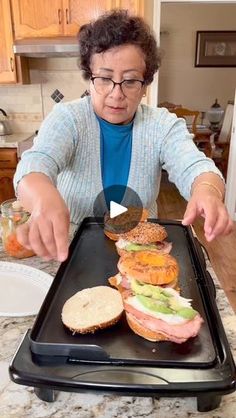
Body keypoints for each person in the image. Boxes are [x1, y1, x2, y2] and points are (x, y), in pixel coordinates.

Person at [14, 9, 233, 262]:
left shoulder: (162, 125)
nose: (116, 94)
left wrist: (207, 191)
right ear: (89, 78)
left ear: (145, 85)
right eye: (105, 79)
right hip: (72, 252)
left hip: (142, 252)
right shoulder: (69, 119)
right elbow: (35, 164)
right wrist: (43, 197)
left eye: (130, 81)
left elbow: (196, 166)